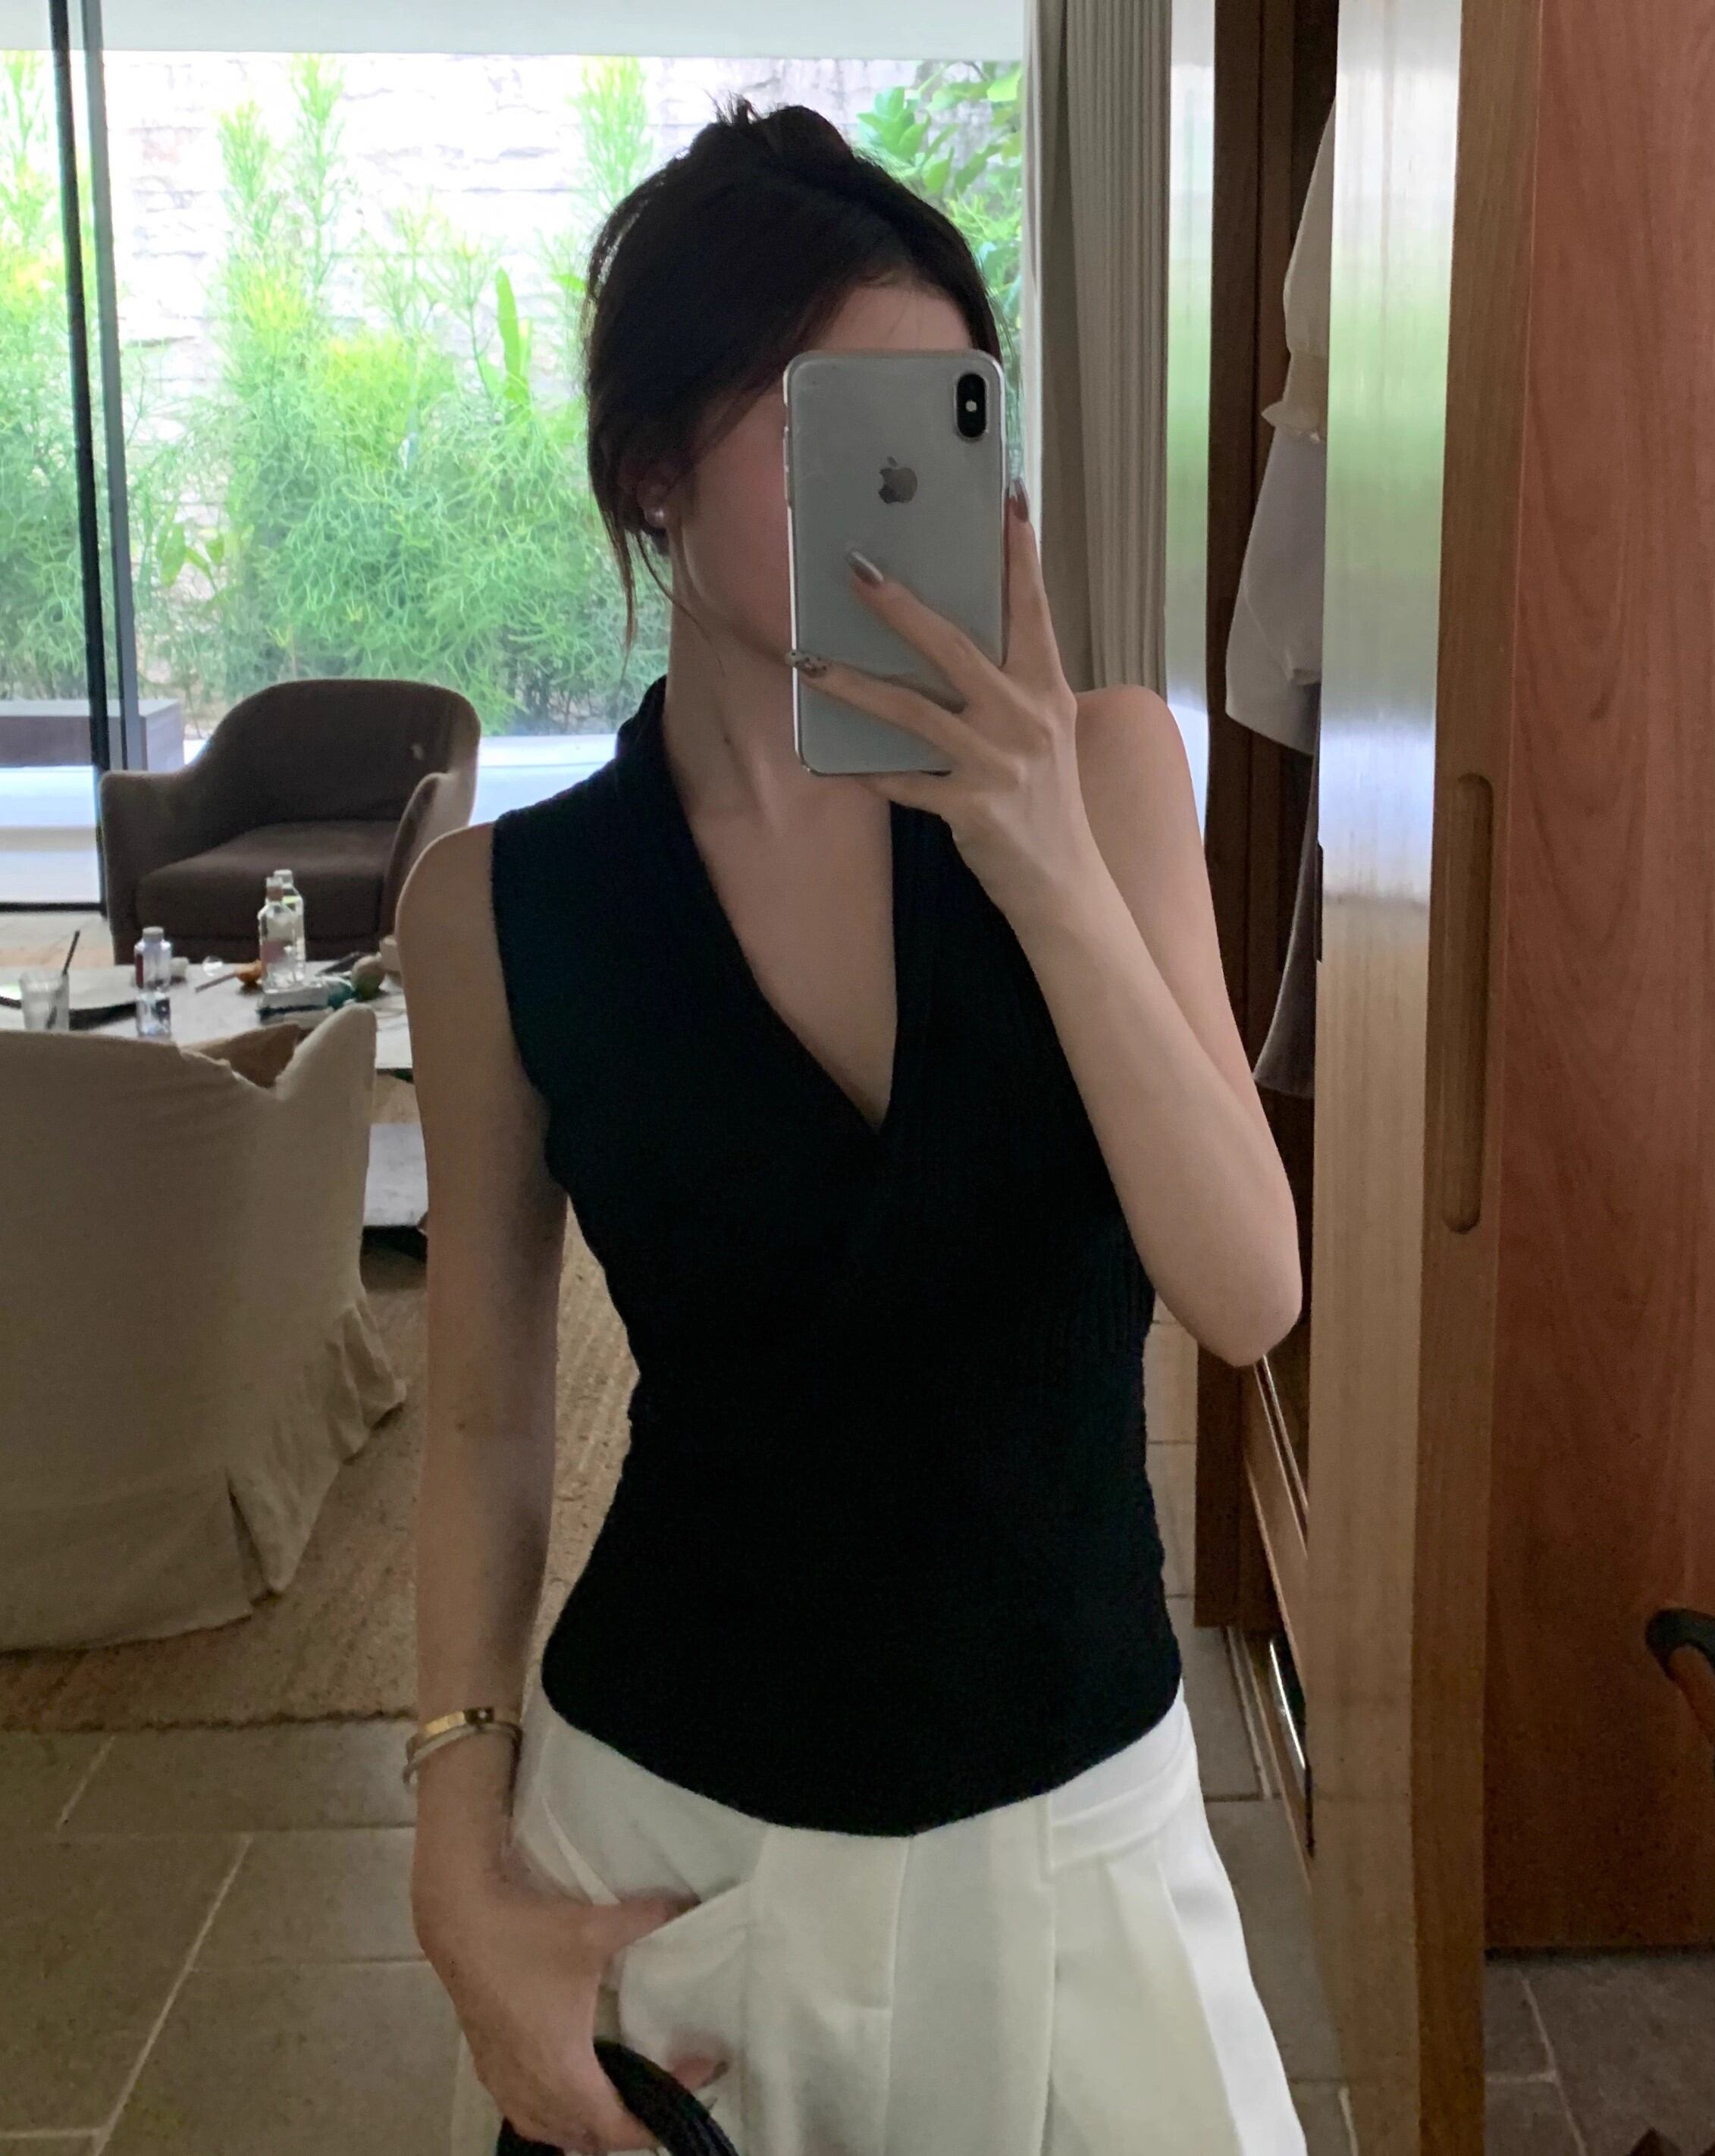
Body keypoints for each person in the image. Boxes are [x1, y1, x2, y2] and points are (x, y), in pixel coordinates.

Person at [400, 101, 1305, 2156]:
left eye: (943, 424)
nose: (899, 490)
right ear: (651, 470)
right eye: (830, 426)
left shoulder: (1108, 773)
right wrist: (458, 1872)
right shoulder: (501, 910)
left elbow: (1247, 1290)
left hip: (1081, 1826)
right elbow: (479, 1413)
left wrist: (1042, 858)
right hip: (671, 1848)